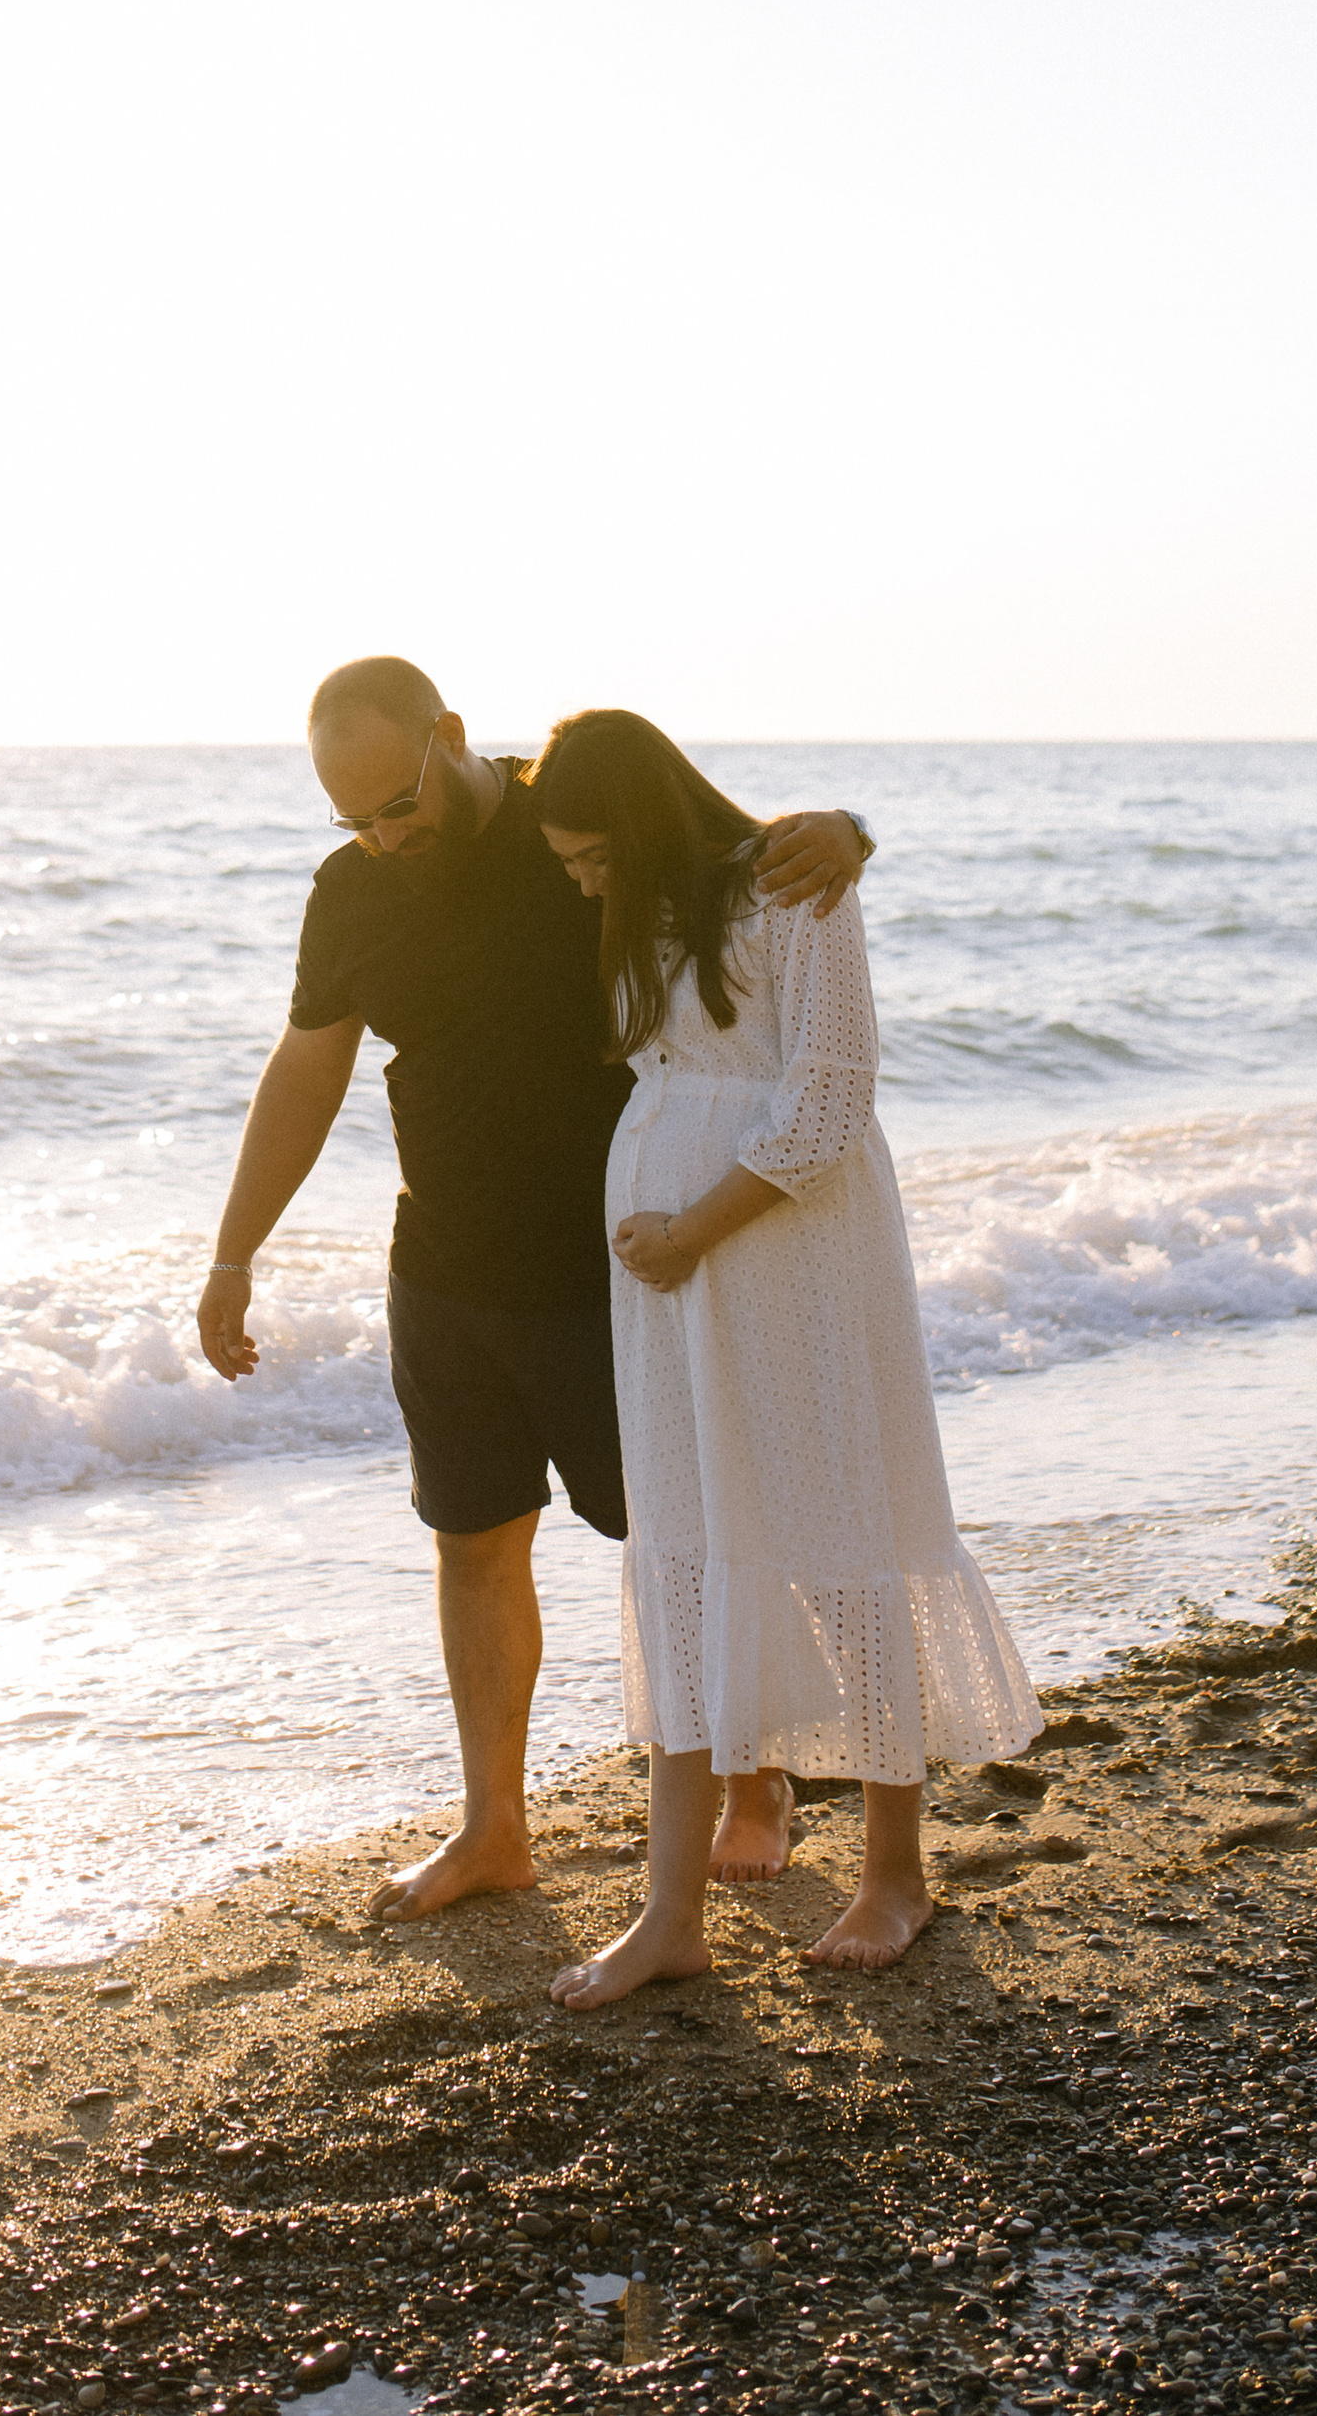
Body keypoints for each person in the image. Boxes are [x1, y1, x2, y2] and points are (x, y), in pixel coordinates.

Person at [195, 655, 872, 1922]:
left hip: (615, 1263)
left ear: (450, 734)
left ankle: (756, 1777)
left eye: (400, 802)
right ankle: (494, 1827)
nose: (385, 838)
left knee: (685, 1538)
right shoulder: (351, 890)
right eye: (355, 820)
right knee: (471, 1539)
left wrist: (849, 831)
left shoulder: (574, 829)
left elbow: (731, 859)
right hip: (444, 1263)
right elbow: (306, 1069)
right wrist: (234, 1253)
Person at [525, 706, 1040, 2002]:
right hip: (667, 1280)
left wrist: (695, 1225)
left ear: (638, 824)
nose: (577, 878)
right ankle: (670, 1908)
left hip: (787, 1252)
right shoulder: (641, 907)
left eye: (589, 855)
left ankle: (893, 1873)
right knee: (688, 1550)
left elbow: (829, 1096)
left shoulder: (795, 885)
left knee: (837, 1532)